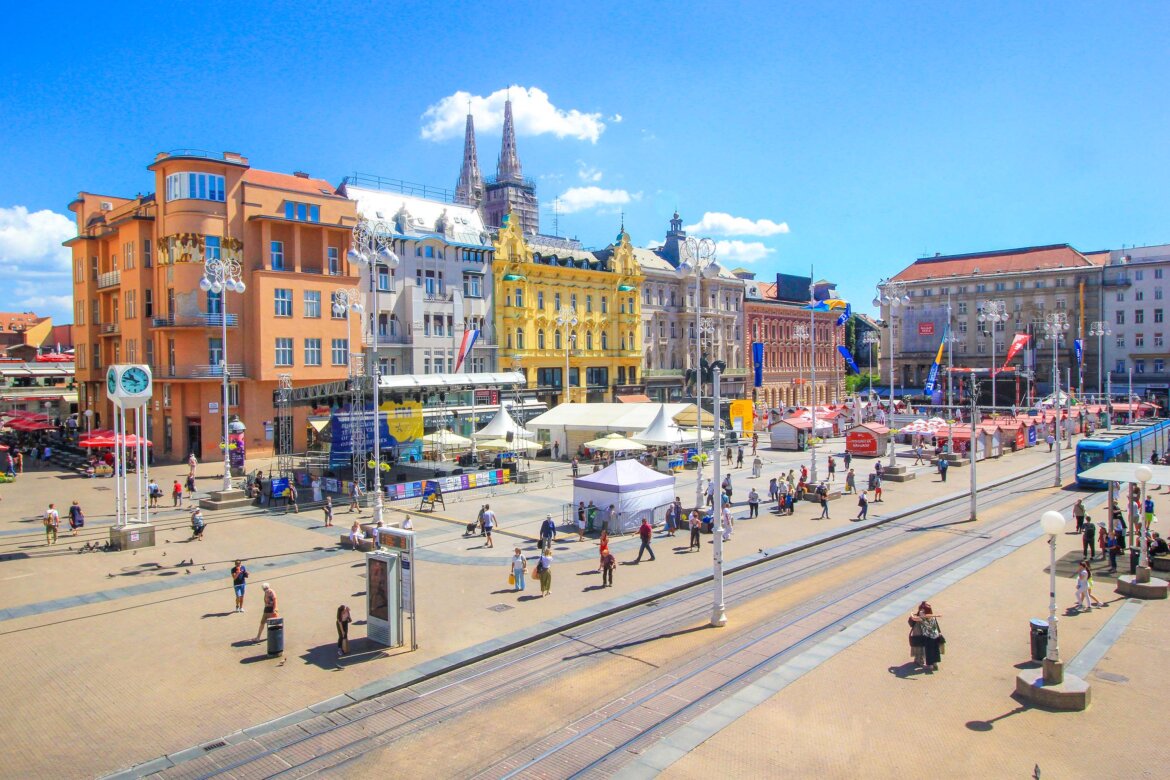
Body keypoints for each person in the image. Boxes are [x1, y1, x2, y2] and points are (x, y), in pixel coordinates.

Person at [908, 601, 943, 672]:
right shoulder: (932, 618)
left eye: (922, 611)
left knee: (929, 651)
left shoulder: (922, 619)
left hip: (928, 638)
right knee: (935, 651)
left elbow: (913, 618)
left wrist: (911, 613)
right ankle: (935, 663)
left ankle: (930, 666)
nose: (920, 612)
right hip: (935, 636)